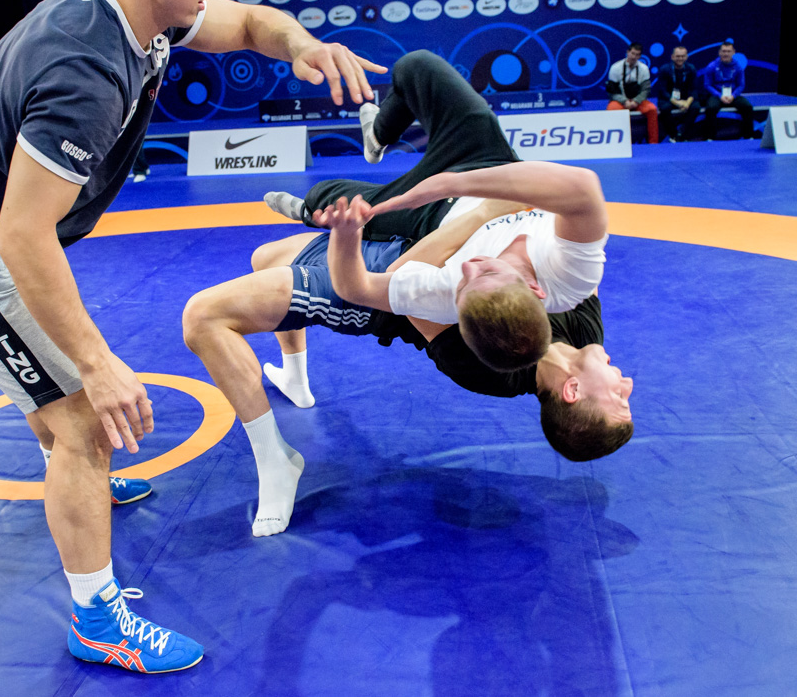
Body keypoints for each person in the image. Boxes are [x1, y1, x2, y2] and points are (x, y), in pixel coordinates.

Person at [0, 0, 385, 675]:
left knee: (63, 398)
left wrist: (303, 46)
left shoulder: (137, 9)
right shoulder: (84, 68)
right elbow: (22, 235)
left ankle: (69, 465)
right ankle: (98, 621)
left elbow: (251, 23)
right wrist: (96, 364)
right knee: (87, 418)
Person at [184, 51, 630, 538]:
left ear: (572, 391)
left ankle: (278, 451)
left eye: (619, 396)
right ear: (535, 290)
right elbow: (578, 198)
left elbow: (396, 281)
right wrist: (478, 194)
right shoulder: (579, 311)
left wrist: (481, 214)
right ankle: (374, 142)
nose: (627, 381)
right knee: (417, 69)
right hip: (473, 187)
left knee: (288, 242)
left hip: (413, 255)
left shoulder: (472, 339)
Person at [272, 51, 610, 373]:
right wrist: (454, 183)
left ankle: (308, 210)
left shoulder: (451, 296)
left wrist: (346, 235)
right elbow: (583, 187)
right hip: (491, 167)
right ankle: (378, 135)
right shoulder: (570, 278)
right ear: (535, 289)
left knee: (326, 197)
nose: (468, 267)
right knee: (417, 67)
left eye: (463, 286)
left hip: (434, 216)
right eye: (488, 273)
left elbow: (355, 288)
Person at [605, 42, 659, 144]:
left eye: (637, 55)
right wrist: (624, 101)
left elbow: (646, 90)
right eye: (633, 53)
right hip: (621, 101)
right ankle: (613, 142)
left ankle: (653, 142)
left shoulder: (644, 69)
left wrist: (636, 101)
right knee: (611, 109)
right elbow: (611, 91)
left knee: (652, 109)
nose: (634, 57)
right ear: (627, 52)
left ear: (640, 56)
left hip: (637, 101)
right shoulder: (615, 68)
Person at [699, 41, 754, 139]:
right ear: (719, 52)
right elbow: (707, 85)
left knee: (747, 107)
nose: (726, 54)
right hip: (717, 95)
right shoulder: (711, 66)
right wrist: (719, 96)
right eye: (724, 51)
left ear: (733, 52)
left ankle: (749, 136)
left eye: (728, 51)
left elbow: (741, 85)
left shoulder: (738, 67)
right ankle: (710, 138)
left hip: (733, 95)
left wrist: (733, 96)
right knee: (711, 108)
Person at [656, 46, 700, 141]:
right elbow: (662, 90)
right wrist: (676, 102)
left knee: (696, 107)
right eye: (678, 56)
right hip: (669, 98)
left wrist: (687, 103)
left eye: (683, 56)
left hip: (685, 99)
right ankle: (673, 134)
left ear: (686, 57)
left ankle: (682, 133)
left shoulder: (691, 68)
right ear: (672, 57)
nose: (680, 59)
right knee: (664, 108)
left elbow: (694, 89)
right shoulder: (664, 69)